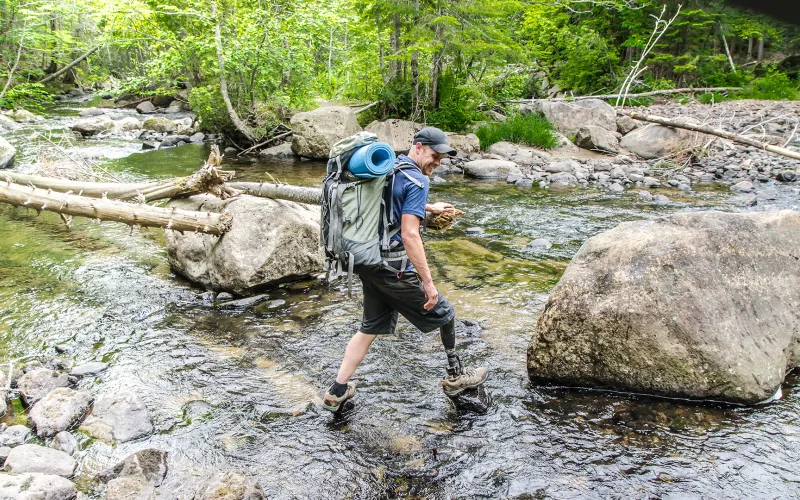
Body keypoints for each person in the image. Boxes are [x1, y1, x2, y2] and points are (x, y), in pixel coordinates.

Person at [322, 126, 488, 412]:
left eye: (442, 158)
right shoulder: (418, 181)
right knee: (446, 314)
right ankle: (456, 377)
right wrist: (428, 282)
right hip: (393, 269)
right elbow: (410, 234)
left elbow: (390, 203)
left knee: (370, 327)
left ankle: (337, 391)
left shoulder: (393, 167)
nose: (437, 162)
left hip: (368, 262)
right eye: (435, 155)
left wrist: (429, 208)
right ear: (420, 147)